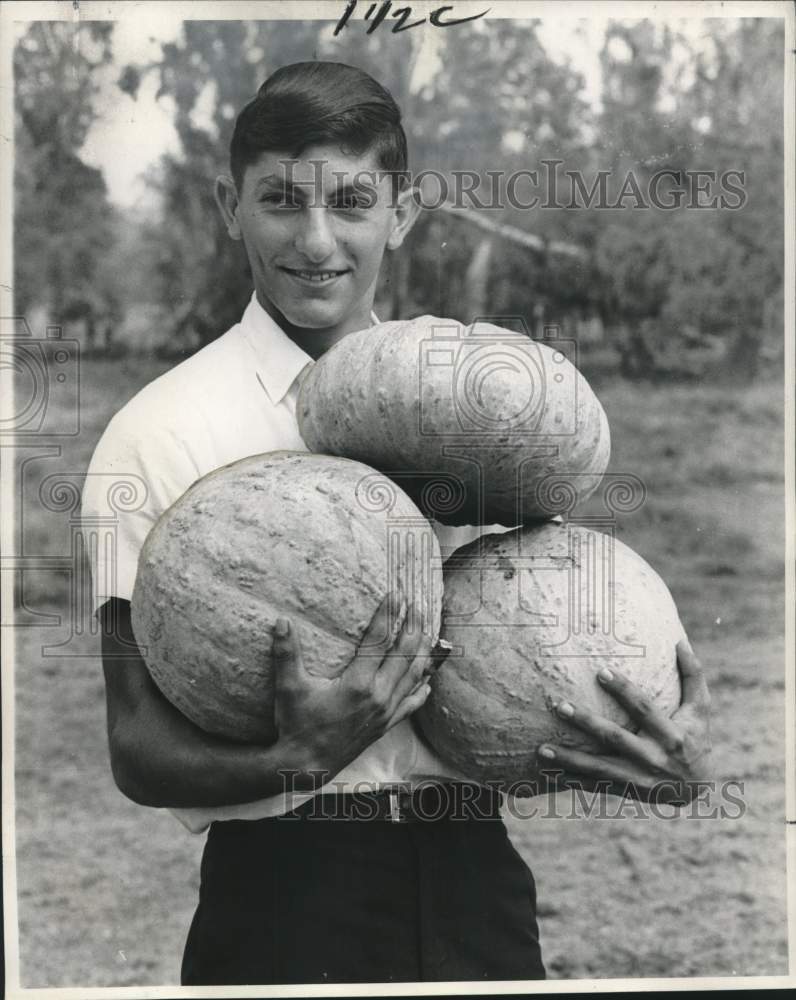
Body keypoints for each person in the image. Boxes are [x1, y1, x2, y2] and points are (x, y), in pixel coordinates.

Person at [82, 60, 712, 985]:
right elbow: (135, 748)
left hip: (476, 876)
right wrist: (295, 757)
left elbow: (546, 616)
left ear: (403, 211)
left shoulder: (478, 411)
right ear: (229, 205)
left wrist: (664, 747)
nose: (316, 239)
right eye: (280, 200)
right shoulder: (158, 432)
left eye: (350, 200)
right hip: (285, 896)